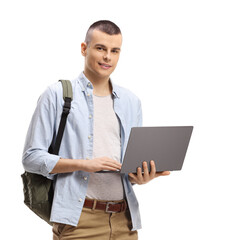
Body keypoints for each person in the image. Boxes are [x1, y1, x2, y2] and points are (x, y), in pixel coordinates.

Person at [22, 20, 170, 240]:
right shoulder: (56, 95)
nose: (107, 57)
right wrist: (84, 164)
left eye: (115, 51)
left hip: (125, 221)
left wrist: (139, 177)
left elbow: (126, 168)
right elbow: (31, 158)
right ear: (84, 48)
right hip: (79, 221)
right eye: (101, 48)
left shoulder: (131, 102)